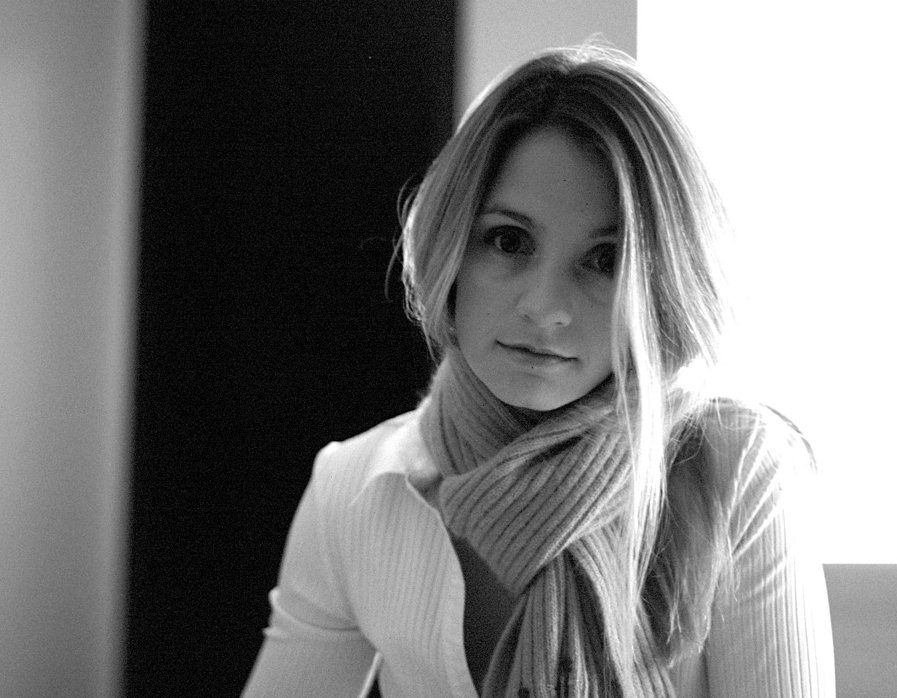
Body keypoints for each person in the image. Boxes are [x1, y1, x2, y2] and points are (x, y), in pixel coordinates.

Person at [241, 44, 835, 698]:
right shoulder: (354, 488)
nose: (544, 307)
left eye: (606, 259)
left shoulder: (738, 466)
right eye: (508, 240)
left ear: (664, 283)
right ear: (450, 244)